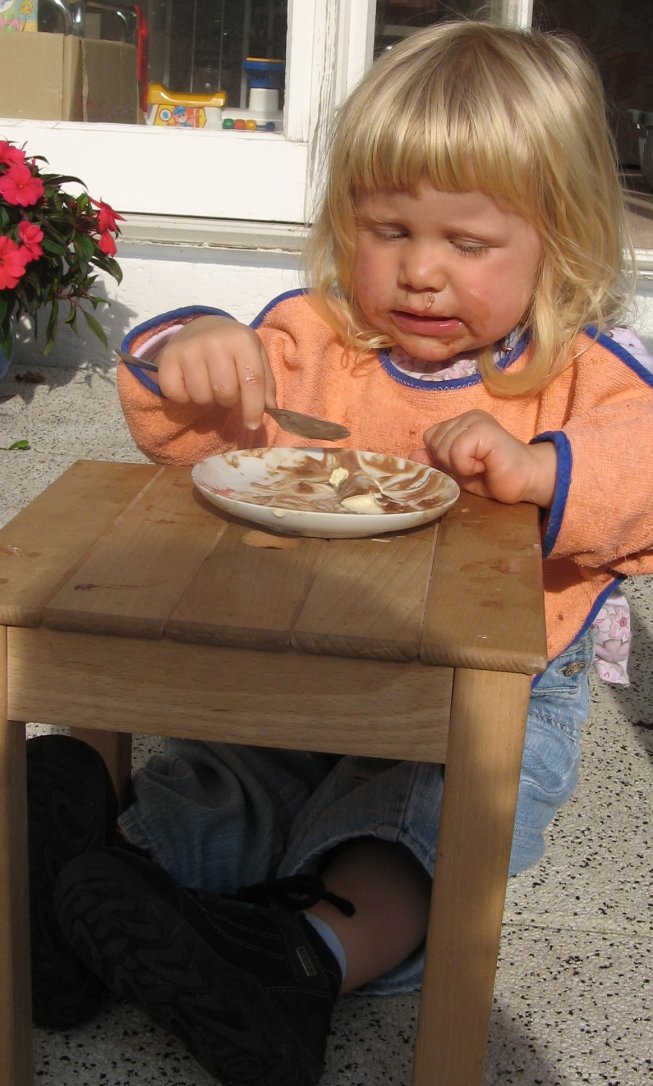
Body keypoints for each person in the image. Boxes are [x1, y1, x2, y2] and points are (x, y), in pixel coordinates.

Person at [28, 19, 653, 1086]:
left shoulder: (579, 374)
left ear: (561, 238)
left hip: (481, 697)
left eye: (465, 244)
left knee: (422, 830)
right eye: (386, 229)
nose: (417, 273)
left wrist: (545, 467)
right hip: (297, 674)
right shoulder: (319, 339)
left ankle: (295, 967)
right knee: (208, 784)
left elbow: (637, 465)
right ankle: (76, 904)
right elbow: (180, 424)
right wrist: (192, 349)